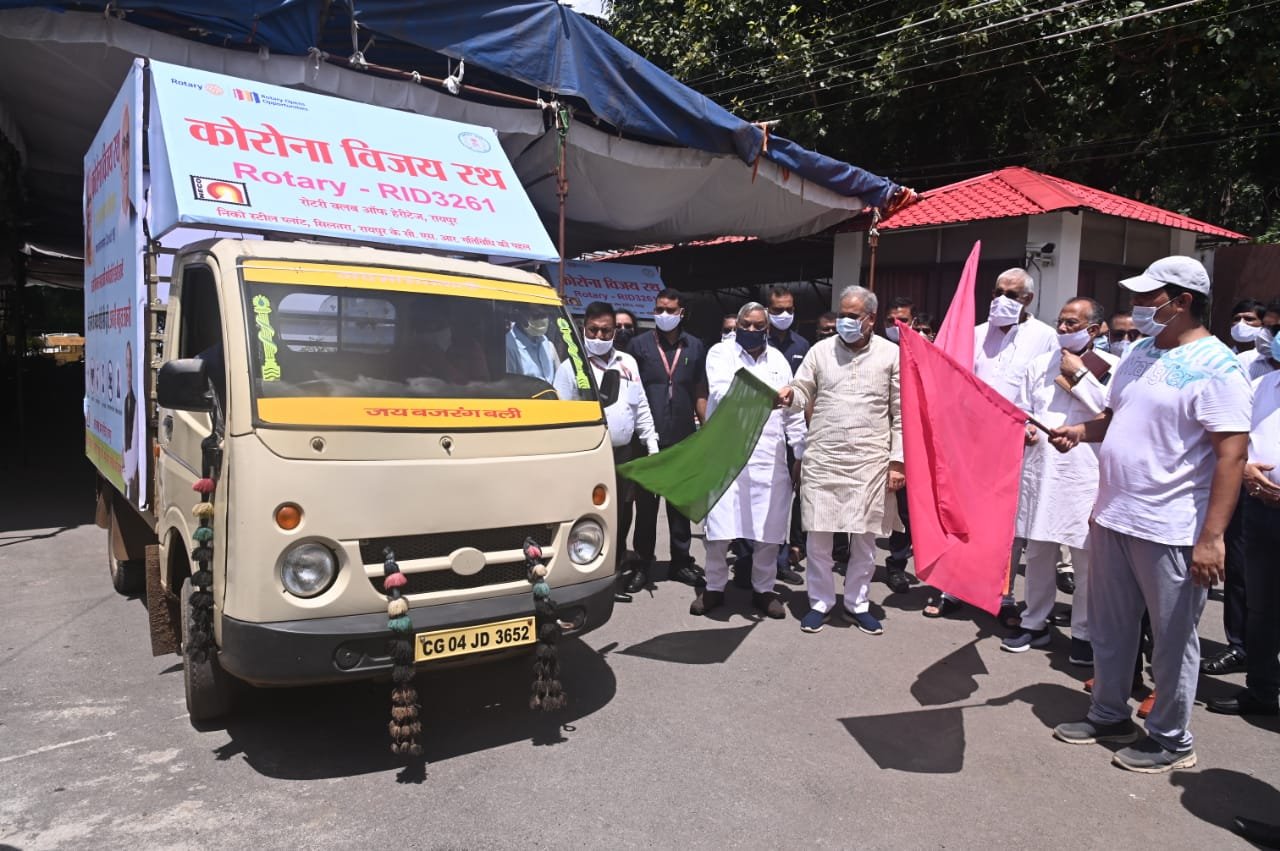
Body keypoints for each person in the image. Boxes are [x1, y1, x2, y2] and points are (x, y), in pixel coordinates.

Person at [1048, 256, 1252, 773]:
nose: (1138, 307)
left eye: (1148, 298)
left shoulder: (1218, 366)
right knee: (1112, 628)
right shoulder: (1139, 351)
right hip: (1116, 514)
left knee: (1172, 640)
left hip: (1172, 528)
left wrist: (1212, 538)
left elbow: (1231, 455)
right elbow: (1116, 417)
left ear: (1182, 302)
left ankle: (1171, 738)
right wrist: (1081, 431)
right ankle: (1109, 712)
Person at [925, 267, 1058, 620]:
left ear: (1028, 300)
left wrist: (1032, 426)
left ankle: (1003, 594)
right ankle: (953, 586)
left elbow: (1044, 390)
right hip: (970, 444)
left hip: (1016, 444)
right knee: (962, 515)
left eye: (1011, 295)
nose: (1001, 299)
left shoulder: (1045, 337)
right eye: (998, 291)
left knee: (1006, 524)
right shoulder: (975, 334)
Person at [778, 285, 903, 636]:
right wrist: (790, 394)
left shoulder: (891, 354)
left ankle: (857, 603)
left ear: (871, 320)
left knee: (864, 538)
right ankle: (820, 601)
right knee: (818, 537)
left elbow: (901, 412)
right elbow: (803, 389)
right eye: (842, 315)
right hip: (824, 457)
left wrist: (898, 461)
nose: (845, 321)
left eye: (853, 316)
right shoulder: (820, 351)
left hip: (870, 459)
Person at [1003, 297, 1117, 661]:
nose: (1064, 329)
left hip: (1085, 473)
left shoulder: (1112, 366)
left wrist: (1080, 374)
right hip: (1041, 470)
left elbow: (1110, 412)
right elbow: (1022, 408)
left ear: (1094, 329)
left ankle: (1083, 633)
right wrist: (1025, 429)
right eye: (1061, 322)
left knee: (1086, 559)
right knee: (1038, 552)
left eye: (1073, 323)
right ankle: (1033, 622)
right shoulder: (1040, 363)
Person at [691, 302, 807, 619]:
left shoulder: (779, 361)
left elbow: (792, 412)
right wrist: (770, 398)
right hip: (725, 453)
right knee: (718, 530)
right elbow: (723, 391)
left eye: (759, 326)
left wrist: (799, 451)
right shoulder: (720, 353)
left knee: (768, 532)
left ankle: (764, 590)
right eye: (746, 325)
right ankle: (714, 588)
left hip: (768, 457)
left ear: (768, 329)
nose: (752, 331)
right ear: (738, 325)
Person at [553, 302, 659, 603]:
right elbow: (561, 415)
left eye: (606, 330)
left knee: (622, 513)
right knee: (590, 515)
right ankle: (589, 574)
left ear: (615, 332)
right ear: (583, 329)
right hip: (589, 455)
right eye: (593, 330)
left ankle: (614, 569)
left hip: (625, 452)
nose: (600, 335)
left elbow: (641, 409)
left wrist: (651, 445)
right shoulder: (571, 366)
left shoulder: (627, 363)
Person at [1207, 306, 1280, 717]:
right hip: (1261, 508)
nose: (1271, 336)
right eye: (1271, 328)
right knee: (1261, 604)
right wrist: (1247, 468)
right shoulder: (1265, 383)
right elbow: (1240, 439)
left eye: (1276, 328)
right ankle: (1263, 689)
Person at [628, 288, 707, 590]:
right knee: (646, 508)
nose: (663, 315)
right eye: (659, 309)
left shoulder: (696, 346)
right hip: (648, 439)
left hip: (684, 438)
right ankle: (642, 564)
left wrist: (707, 430)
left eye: (670, 310)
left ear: (682, 312)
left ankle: (680, 562)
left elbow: (700, 390)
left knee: (679, 505)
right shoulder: (639, 346)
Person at [505, 304, 559, 384]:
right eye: (537, 315)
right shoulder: (508, 346)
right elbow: (509, 387)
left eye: (545, 315)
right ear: (519, 315)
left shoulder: (547, 344)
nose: (542, 320)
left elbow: (560, 380)